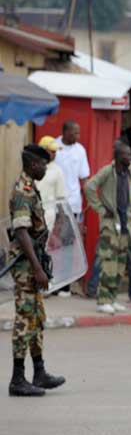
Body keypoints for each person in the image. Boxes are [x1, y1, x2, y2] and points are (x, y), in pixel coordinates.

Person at [8, 144, 65, 396]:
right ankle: (17, 379)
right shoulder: (23, 191)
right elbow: (21, 232)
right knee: (24, 318)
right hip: (25, 267)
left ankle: (39, 372)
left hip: (33, 264)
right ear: (33, 165)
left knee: (36, 318)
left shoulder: (32, 187)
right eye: (43, 164)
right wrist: (37, 268)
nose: (45, 168)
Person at [84, 141, 131, 314]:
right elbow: (89, 186)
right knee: (109, 263)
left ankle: (112, 298)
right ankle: (103, 300)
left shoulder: (130, 173)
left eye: (130, 154)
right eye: (126, 155)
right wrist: (99, 208)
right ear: (118, 157)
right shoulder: (108, 171)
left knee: (121, 264)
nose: (129, 157)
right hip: (110, 224)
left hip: (125, 225)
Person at [55, 121, 90, 297]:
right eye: (75, 133)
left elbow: (84, 179)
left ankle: (65, 285)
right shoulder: (54, 146)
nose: (77, 136)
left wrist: (85, 206)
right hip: (53, 204)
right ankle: (51, 281)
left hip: (73, 205)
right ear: (65, 132)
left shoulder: (80, 150)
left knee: (68, 244)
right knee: (51, 243)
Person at [35, 136, 66, 230]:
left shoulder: (58, 171)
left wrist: (62, 217)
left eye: (55, 152)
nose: (55, 154)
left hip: (48, 216)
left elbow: (61, 197)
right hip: (32, 214)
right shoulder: (32, 167)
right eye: (52, 151)